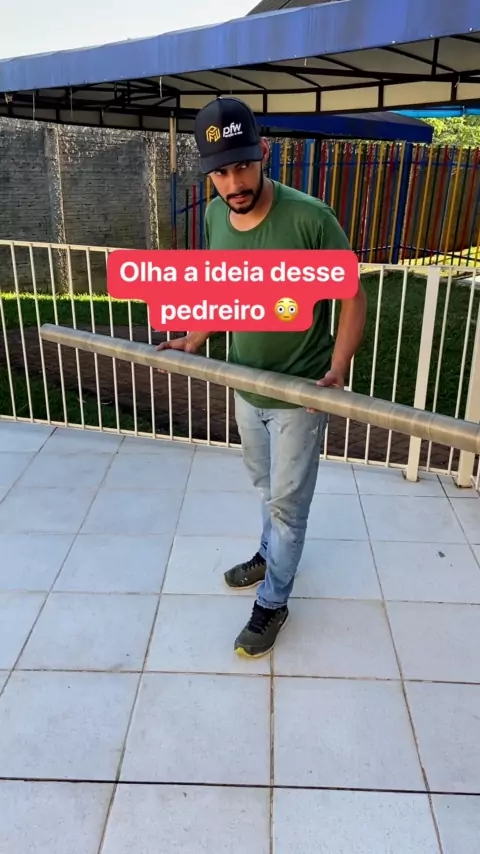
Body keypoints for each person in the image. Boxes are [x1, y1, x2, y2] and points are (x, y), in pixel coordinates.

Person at [157, 96, 366, 658]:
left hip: (300, 395)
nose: (234, 183)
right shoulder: (214, 216)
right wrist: (196, 337)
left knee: (288, 507)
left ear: (265, 152)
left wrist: (337, 367)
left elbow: (352, 297)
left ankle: (274, 601)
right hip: (246, 386)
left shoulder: (310, 218)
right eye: (221, 172)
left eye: (243, 166)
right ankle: (268, 554)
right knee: (265, 489)